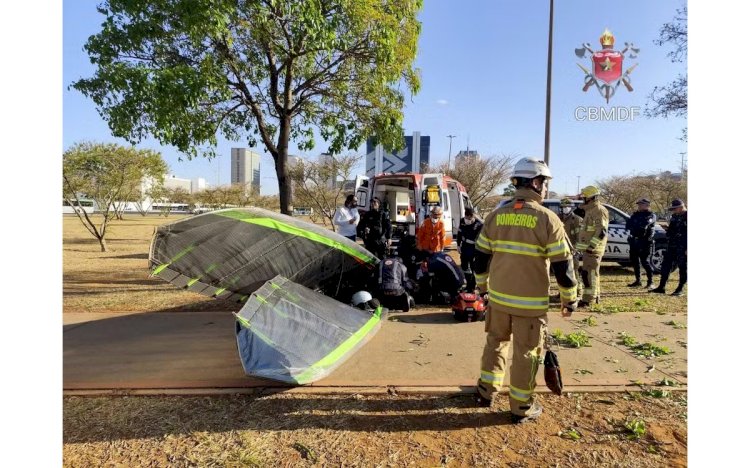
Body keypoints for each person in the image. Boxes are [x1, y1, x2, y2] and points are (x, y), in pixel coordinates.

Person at [473, 158, 578, 424]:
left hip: (497, 299)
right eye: (544, 182)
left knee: (495, 343)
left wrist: (483, 287)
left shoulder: (495, 216)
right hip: (529, 305)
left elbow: (480, 257)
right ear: (534, 182)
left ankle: (486, 391)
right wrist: (570, 299)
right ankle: (521, 406)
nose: (545, 188)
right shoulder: (548, 219)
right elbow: (562, 266)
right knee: (526, 353)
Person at [576, 185, 609, 308]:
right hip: (588, 250)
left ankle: (588, 300)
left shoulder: (599, 210)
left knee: (589, 275)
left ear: (590, 198)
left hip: (593, 250)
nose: (582, 200)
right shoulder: (590, 210)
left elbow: (602, 231)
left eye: (584, 197)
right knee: (591, 274)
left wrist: (591, 247)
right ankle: (595, 297)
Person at [650, 199, 687, 296]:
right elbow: (671, 230)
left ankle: (680, 289)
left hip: (683, 246)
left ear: (681, 207)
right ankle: (661, 287)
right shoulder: (674, 216)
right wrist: (667, 229)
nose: (673, 211)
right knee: (666, 265)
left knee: (683, 268)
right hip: (672, 245)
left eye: (675, 209)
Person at [625, 198, 657, 289]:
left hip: (645, 241)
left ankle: (650, 282)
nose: (639, 206)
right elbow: (628, 225)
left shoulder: (651, 215)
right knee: (635, 261)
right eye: (638, 204)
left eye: (641, 204)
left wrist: (637, 227)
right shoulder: (635, 215)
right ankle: (638, 281)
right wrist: (635, 227)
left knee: (645, 261)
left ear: (647, 205)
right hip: (634, 241)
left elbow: (645, 225)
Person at [559, 198, 583, 298]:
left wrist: (577, 250)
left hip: (573, 250)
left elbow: (580, 237)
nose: (565, 209)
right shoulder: (558, 218)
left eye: (567, 207)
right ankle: (562, 293)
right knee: (561, 272)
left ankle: (578, 292)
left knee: (574, 272)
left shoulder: (577, 220)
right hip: (560, 250)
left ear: (572, 208)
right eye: (563, 207)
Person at [456, 207, 484, 291]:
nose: (467, 219)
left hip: (474, 248)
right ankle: (468, 283)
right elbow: (459, 233)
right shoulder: (462, 221)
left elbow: (481, 238)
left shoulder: (479, 224)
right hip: (464, 246)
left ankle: (472, 286)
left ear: (472, 216)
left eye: (469, 217)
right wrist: (458, 244)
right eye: (466, 217)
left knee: (473, 267)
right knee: (464, 266)